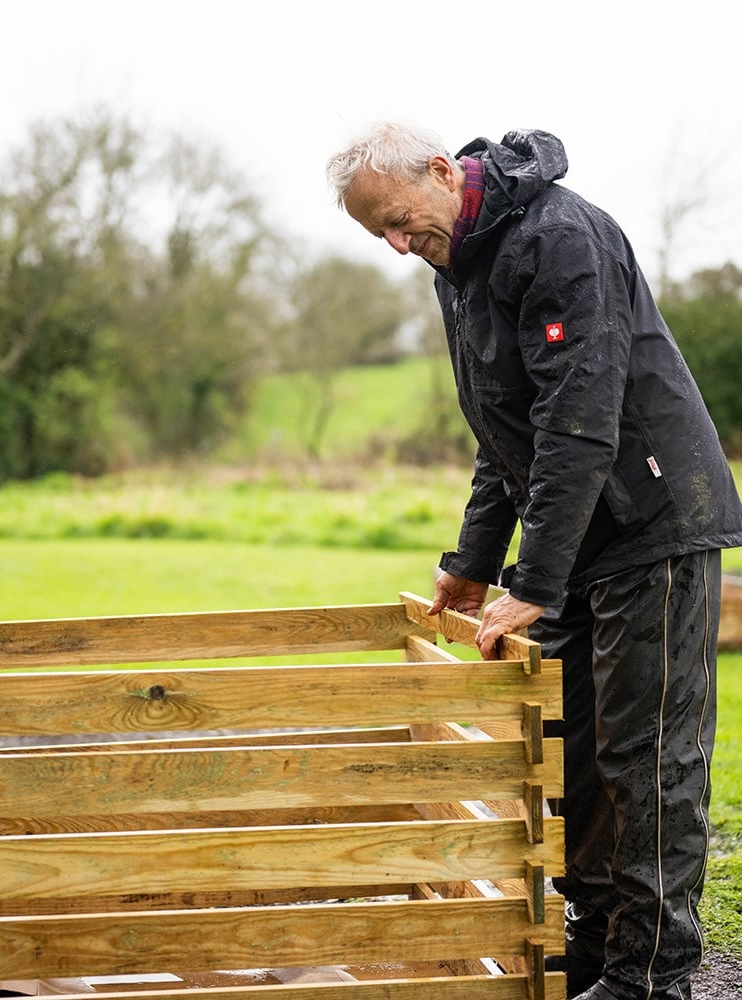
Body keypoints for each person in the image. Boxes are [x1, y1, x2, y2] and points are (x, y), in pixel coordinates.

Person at [325, 123, 742, 1000]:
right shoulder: (461, 263)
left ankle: (652, 975)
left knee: (647, 758)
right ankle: (594, 951)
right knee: (572, 753)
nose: (400, 246)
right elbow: (503, 430)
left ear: (443, 173)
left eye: (400, 221)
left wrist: (532, 583)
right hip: (580, 534)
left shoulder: (559, 239)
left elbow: (579, 420)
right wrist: (474, 559)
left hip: (652, 522)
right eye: (381, 237)